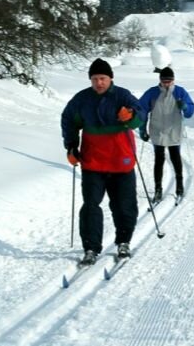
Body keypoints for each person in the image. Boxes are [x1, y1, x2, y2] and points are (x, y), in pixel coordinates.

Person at [61, 58, 144, 265]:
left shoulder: (122, 96)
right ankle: (90, 247)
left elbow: (140, 115)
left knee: (124, 205)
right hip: (93, 163)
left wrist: (131, 116)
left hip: (121, 162)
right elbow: (69, 120)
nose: (99, 83)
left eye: (103, 78)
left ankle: (124, 241)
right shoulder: (82, 100)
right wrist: (72, 146)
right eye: (95, 79)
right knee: (90, 205)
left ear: (110, 78)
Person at [138, 67, 194, 202]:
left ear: (173, 80)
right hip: (157, 129)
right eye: (164, 81)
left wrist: (185, 107)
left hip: (174, 129)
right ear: (160, 80)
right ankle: (158, 189)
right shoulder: (152, 93)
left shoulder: (180, 92)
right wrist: (142, 129)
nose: (167, 83)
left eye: (169, 81)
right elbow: (141, 110)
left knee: (175, 158)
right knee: (159, 160)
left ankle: (179, 186)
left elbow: (190, 112)